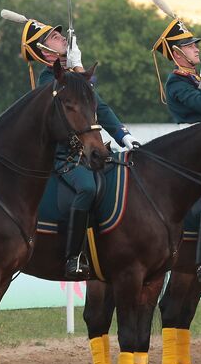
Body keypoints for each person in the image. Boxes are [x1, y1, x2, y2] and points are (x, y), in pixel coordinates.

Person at [19, 17, 135, 277]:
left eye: (60, 36)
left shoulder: (70, 76)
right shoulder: (49, 80)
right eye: (54, 38)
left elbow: (99, 107)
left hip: (88, 152)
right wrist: (79, 68)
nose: (62, 39)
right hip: (63, 156)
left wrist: (122, 135)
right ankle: (74, 256)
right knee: (87, 187)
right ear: (44, 51)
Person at [152, 13, 201, 283]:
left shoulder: (194, 81)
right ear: (176, 53)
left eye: (196, 44)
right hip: (189, 155)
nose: (197, 48)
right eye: (191, 46)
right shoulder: (176, 83)